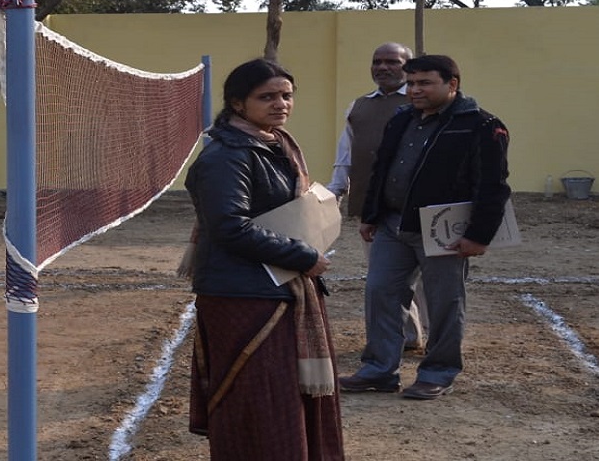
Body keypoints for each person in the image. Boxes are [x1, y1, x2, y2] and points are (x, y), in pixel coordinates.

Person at [184, 58, 344, 460]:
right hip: (243, 295)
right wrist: (303, 255)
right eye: (267, 97)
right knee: (260, 400)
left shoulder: (277, 146)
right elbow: (230, 227)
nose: (280, 104)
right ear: (238, 103)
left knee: (283, 398)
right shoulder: (226, 157)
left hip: (282, 286)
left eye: (286, 95)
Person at [339, 54, 510, 400]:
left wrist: (478, 236)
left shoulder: (481, 125)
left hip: (442, 231)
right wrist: (371, 214)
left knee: (444, 302)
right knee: (381, 293)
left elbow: (493, 185)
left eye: (425, 83)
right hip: (392, 225)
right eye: (412, 83)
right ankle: (379, 370)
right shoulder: (402, 118)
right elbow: (381, 169)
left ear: (452, 84)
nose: (415, 90)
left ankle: (438, 372)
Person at [329, 42, 428, 351]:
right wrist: (336, 190)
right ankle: (408, 336)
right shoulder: (358, 107)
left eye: (392, 62)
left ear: (408, 66)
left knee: (428, 280)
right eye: (377, 61)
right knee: (386, 277)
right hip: (373, 208)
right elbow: (347, 153)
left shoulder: (423, 103)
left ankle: (438, 338)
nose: (383, 67)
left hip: (420, 206)